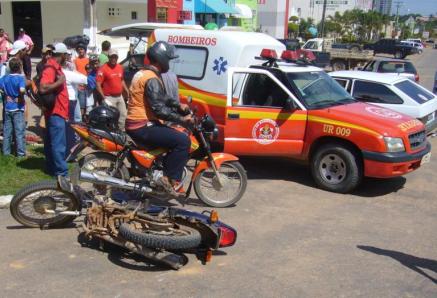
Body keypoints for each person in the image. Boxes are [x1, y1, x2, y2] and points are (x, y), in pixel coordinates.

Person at [126, 41, 192, 194]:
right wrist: (182, 119)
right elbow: (159, 110)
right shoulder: (152, 78)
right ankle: (169, 179)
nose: (169, 63)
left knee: (171, 134)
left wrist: (178, 105)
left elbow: (161, 97)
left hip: (138, 123)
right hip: (142, 125)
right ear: (161, 59)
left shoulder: (144, 73)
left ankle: (159, 170)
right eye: (168, 59)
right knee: (182, 140)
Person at [40, 43, 69, 177]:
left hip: (56, 111)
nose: (67, 57)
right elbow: (43, 88)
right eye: (66, 55)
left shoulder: (54, 66)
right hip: (56, 112)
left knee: (51, 142)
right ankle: (62, 173)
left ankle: (51, 168)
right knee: (59, 144)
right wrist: (59, 82)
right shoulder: (51, 68)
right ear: (62, 55)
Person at [96, 49, 129, 130]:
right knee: (112, 117)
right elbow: (98, 84)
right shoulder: (103, 69)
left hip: (119, 96)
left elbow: (122, 80)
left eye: (115, 57)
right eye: (112, 57)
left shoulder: (120, 67)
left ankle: (121, 133)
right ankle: (112, 134)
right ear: (108, 57)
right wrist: (104, 98)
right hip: (109, 98)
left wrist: (127, 91)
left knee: (123, 115)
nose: (113, 59)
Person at [0, 58, 26, 157]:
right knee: (19, 132)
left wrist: (4, 93)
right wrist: (19, 96)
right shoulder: (20, 78)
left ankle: (6, 152)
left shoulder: (5, 78)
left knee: (7, 131)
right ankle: (21, 153)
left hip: (7, 107)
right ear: (20, 67)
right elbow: (22, 89)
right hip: (17, 107)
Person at [74, 43, 89, 118]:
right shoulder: (75, 60)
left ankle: (86, 118)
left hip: (88, 85)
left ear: (85, 50)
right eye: (79, 49)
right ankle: (81, 119)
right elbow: (74, 73)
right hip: (79, 86)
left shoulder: (89, 60)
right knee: (81, 105)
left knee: (88, 105)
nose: (80, 51)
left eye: (82, 49)